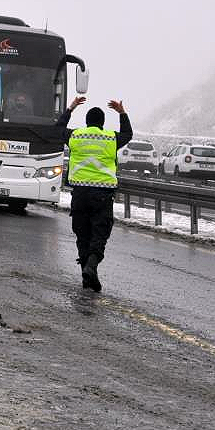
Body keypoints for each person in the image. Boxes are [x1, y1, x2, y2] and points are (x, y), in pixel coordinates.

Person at [56, 97, 132, 292]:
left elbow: (58, 128)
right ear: (102, 123)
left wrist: (71, 108)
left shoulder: (76, 136)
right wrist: (122, 113)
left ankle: (87, 275)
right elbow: (128, 134)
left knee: (83, 235)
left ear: (87, 122)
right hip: (102, 195)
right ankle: (91, 266)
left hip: (79, 194)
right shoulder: (110, 138)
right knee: (99, 234)